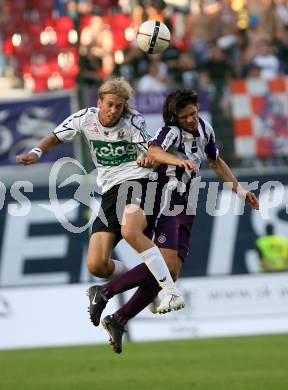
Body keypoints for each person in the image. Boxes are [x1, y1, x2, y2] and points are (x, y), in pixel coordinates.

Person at [89, 89, 260, 353]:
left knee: (173, 272)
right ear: (175, 116)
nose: (191, 119)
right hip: (164, 199)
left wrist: (240, 190)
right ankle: (106, 292)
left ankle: (118, 319)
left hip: (187, 204)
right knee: (165, 267)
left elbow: (216, 162)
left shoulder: (205, 128)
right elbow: (154, 151)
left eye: (193, 113)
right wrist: (177, 161)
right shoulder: (171, 132)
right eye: (185, 116)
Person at [15, 77, 188, 317]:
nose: (114, 110)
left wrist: (151, 157)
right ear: (100, 102)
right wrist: (36, 152)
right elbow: (55, 136)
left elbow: (150, 149)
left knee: (130, 232)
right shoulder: (85, 118)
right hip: (110, 191)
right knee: (97, 264)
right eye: (110, 104)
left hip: (139, 182)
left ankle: (170, 289)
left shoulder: (133, 121)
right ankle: (140, 284)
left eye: (119, 106)